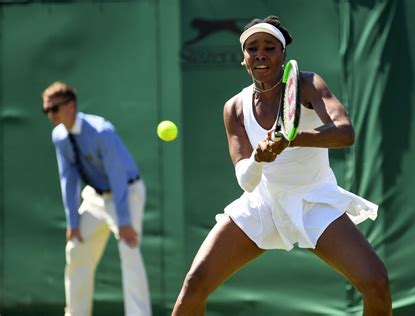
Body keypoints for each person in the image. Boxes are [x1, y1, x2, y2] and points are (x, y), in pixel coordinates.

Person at [172, 16, 392, 316]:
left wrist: (291, 139)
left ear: (283, 55)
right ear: (244, 59)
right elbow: (246, 181)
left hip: (314, 200)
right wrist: (260, 159)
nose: (261, 53)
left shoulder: (308, 84)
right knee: (195, 284)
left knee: (377, 283)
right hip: (262, 203)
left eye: (270, 47)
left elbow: (344, 132)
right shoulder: (234, 108)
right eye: (252, 48)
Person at [42, 81, 152, 316]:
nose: (50, 114)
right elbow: (68, 179)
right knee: (75, 247)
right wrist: (72, 223)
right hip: (94, 196)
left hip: (126, 193)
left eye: (54, 109)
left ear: (70, 106)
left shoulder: (101, 131)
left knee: (129, 249)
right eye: (46, 110)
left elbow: (118, 177)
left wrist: (123, 221)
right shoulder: (60, 136)